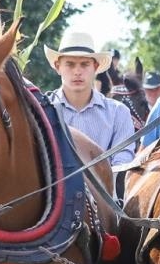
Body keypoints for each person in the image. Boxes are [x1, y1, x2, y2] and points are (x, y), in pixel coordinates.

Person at [44, 29, 137, 168]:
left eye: (84, 64)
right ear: (58, 67)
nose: (77, 71)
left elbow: (123, 161)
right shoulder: (42, 112)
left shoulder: (119, 113)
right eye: (70, 64)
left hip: (104, 189)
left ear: (95, 66)